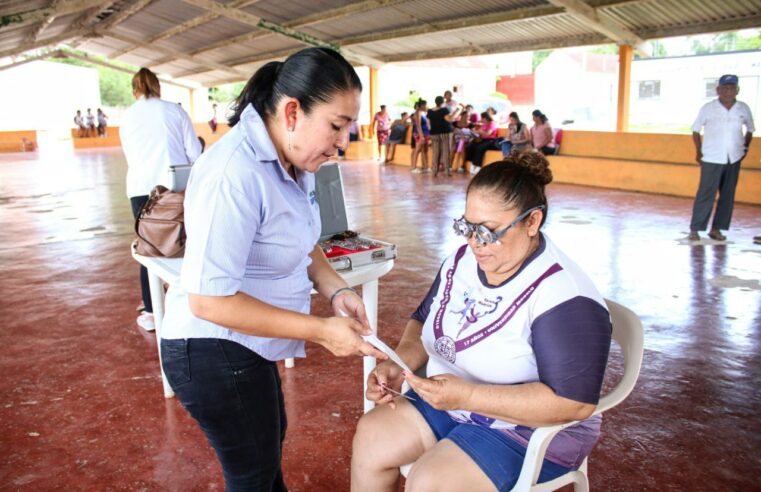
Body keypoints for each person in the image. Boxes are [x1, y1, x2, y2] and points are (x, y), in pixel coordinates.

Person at [159, 47, 386, 491]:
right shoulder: (234, 173)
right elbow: (208, 300)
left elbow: (305, 245)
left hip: (247, 344)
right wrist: (320, 331)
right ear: (293, 111)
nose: (342, 141)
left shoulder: (292, 162)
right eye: (336, 126)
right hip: (210, 348)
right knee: (252, 473)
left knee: (265, 450)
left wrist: (337, 291)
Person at [352, 150, 612, 492]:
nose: (475, 243)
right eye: (467, 227)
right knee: (372, 437)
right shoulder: (461, 261)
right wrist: (400, 364)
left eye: (488, 231)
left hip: (529, 429)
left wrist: (467, 397)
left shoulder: (564, 296)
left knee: (431, 482)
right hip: (453, 401)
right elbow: (423, 320)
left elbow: (572, 403)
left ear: (532, 222)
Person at [120, 67, 202, 332]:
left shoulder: (127, 116)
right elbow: (194, 151)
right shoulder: (173, 110)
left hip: (140, 188)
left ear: (135, 89)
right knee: (184, 242)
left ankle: (152, 309)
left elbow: (130, 154)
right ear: (157, 86)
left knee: (149, 246)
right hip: (173, 186)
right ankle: (191, 300)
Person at [688, 74, 754, 242]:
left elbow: (750, 130)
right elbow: (696, 130)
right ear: (718, 90)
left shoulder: (743, 108)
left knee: (727, 195)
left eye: (732, 88)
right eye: (724, 88)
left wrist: (744, 147)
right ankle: (695, 229)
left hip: (734, 157)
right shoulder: (708, 108)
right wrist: (698, 151)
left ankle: (716, 229)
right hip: (711, 157)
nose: (728, 91)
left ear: (737, 90)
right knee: (705, 193)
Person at [428, 95, 461, 177]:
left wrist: (431, 131)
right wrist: (456, 112)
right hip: (444, 132)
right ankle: (447, 171)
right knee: (446, 151)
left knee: (436, 152)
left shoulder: (430, 111)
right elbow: (449, 119)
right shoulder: (444, 110)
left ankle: (434, 171)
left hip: (434, 133)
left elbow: (428, 123)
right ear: (443, 102)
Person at [411, 99, 430, 174]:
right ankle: (413, 167)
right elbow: (418, 125)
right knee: (417, 150)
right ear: (421, 106)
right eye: (425, 105)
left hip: (425, 134)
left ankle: (426, 166)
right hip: (419, 134)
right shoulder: (417, 113)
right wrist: (421, 136)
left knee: (425, 150)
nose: (426, 106)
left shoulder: (423, 113)